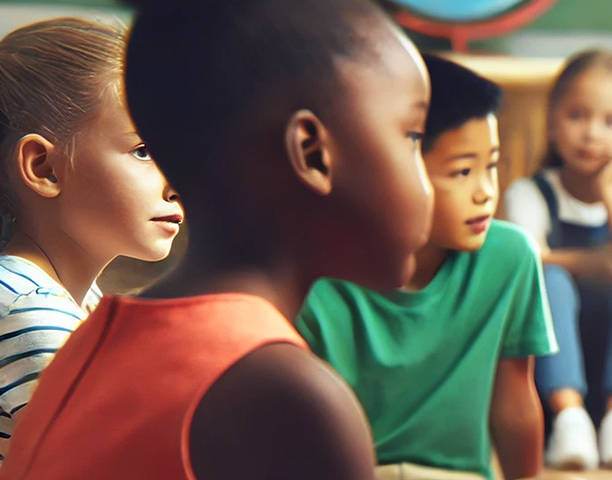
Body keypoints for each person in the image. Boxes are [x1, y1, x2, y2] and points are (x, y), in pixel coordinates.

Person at [0, 0, 436, 478]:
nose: (172, 180)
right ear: (311, 152)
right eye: (412, 135)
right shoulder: (285, 392)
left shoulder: (100, 332)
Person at [296, 53, 557, 480]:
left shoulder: (509, 258)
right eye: (462, 172)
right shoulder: (313, 278)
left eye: (490, 166)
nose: (485, 192)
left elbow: (515, 406)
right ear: (393, 166)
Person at [0, 17, 183, 463]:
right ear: (44, 168)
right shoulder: (33, 316)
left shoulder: (65, 302)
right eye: (144, 151)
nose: (177, 179)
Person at [501, 47, 612, 470]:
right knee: (550, 281)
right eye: (577, 116)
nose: (591, 133)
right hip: (551, 371)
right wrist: (593, 263)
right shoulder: (529, 193)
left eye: (610, 121)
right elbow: (527, 264)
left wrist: (609, 192)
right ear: (551, 124)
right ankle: (569, 417)